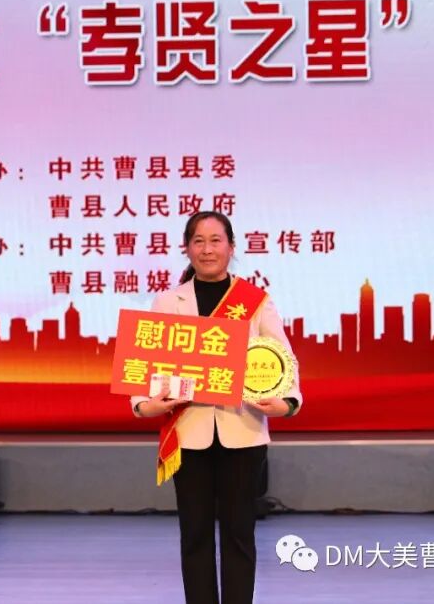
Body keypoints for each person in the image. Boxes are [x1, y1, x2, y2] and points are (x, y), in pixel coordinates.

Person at [130, 211, 302, 604]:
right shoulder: (168, 301)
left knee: (239, 533)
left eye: (215, 240)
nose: (207, 250)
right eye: (199, 241)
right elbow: (147, 363)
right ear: (187, 248)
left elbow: (283, 358)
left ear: (231, 246)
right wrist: (145, 403)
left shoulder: (254, 301)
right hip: (188, 433)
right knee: (194, 534)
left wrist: (287, 401)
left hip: (242, 429)